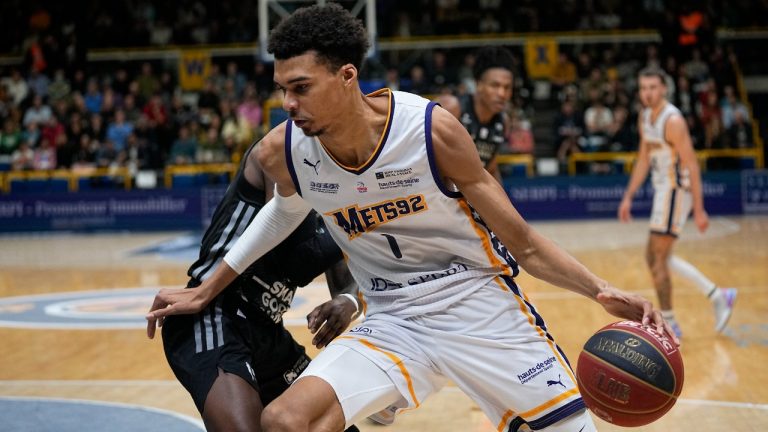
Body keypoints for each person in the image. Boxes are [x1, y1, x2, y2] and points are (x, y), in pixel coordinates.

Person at [147, 5, 673, 432]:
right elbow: (283, 210)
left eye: (301, 87)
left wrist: (600, 291)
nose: (287, 102)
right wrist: (206, 289)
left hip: (476, 306)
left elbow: (526, 245)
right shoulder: (291, 149)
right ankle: (390, 392)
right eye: (283, 88)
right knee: (286, 421)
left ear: (347, 76)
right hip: (393, 319)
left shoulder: (430, 131)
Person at [145, 141, 362, 432]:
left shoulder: (342, 190)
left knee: (330, 423)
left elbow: (343, 276)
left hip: (267, 327)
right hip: (217, 314)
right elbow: (296, 246)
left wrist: (348, 300)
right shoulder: (280, 151)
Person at [618, 67, 737, 338]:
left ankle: (670, 324)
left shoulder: (673, 121)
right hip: (663, 190)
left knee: (656, 259)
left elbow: (693, 164)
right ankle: (718, 295)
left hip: (676, 190)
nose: (647, 93)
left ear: (664, 89)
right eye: (643, 88)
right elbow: (644, 159)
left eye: (653, 87)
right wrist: (628, 196)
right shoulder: (645, 117)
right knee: (658, 257)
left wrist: (699, 207)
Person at [438, 46, 514, 183]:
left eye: (507, 87)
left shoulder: (503, 122)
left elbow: (490, 169)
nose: (502, 94)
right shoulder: (452, 107)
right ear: (479, 84)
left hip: (463, 197)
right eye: (495, 86)